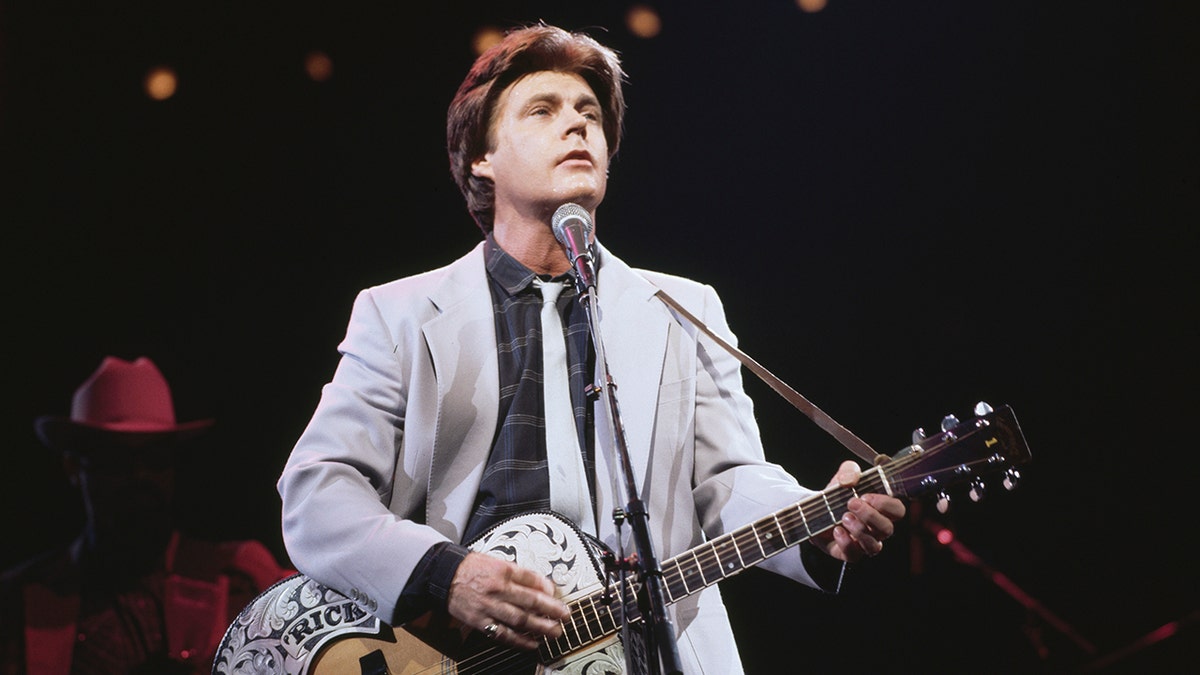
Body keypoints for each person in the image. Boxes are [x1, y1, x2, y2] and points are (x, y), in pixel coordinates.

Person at [276, 23, 906, 674]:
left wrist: (816, 520)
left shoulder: (685, 309)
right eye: (543, 111)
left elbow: (731, 480)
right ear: (481, 159)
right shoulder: (399, 313)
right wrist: (448, 574)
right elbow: (319, 491)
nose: (577, 128)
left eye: (590, 115)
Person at [0, 356, 293, 675]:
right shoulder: (20, 601)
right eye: (115, 460)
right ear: (74, 466)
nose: (139, 476)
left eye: (155, 458)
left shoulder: (241, 578)